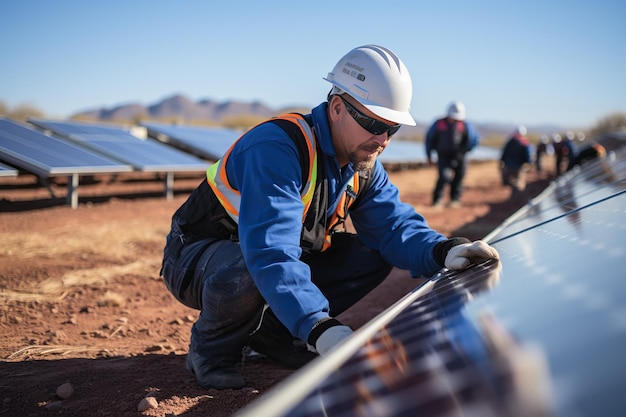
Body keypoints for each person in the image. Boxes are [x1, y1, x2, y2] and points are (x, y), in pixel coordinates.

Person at [160, 44, 500, 390]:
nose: (382, 139)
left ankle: (274, 336)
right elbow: (270, 251)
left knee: (371, 253)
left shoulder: (361, 163)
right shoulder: (277, 147)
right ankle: (211, 350)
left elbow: (393, 226)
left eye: (392, 128)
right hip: (196, 258)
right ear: (337, 108)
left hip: (256, 258)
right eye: (373, 123)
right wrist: (319, 326)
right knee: (249, 267)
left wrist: (442, 250)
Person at [425, 101, 481, 208]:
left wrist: (466, 150)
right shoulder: (439, 123)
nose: (455, 120)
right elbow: (429, 139)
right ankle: (437, 200)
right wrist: (429, 155)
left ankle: (455, 199)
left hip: (460, 156)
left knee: (459, 177)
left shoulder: (465, 125)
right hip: (443, 156)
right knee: (444, 177)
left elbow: (475, 140)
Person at [500, 125, 532, 195]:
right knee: (519, 182)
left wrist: (502, 161)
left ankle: (515, 196)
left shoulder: (510, 141)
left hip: (509, 165)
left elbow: (504, 152)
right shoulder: (524, 143)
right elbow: (527, 155)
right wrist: (528, 162)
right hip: (518, 166)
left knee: (511, 180)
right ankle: (517, 196)